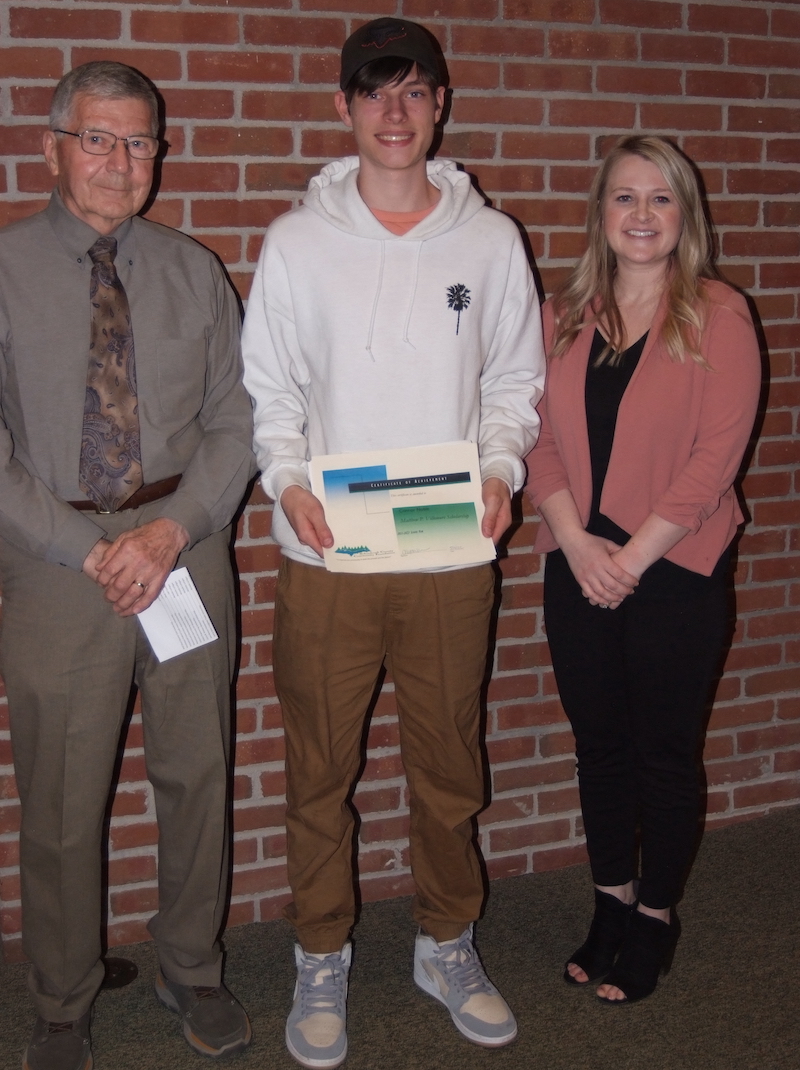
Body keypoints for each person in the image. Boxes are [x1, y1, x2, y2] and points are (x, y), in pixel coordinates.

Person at [242, 17, 544, 1067]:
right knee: (322, 766)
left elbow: (513, 381)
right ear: (343, 108)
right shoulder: (296, 243)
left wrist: (501, 468)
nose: (395, 112)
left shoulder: (488, 240)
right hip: (329, 555)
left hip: (448, 553)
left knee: (445, 762)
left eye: (415, 91)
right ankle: (320, 951)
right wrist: (286, 483)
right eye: (375, 93)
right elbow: (270, 393)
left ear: (440, 105)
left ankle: (444, 940)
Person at [0, 62, 255, 1070]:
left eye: (139, 141)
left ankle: (190, 962)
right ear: (53, 146)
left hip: (182, 549)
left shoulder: (196, 271)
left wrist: (170, 530)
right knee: (62, 795)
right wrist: (92, 546)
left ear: (160, 152)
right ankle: (61, 996)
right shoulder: (5, 269)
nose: (119, 161)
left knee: (198, 770)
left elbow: (240, 423)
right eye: (97, 139)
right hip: (54, 561)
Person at [525, 135, 761, 1004]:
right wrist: (579, 545)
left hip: (674, 568)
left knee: (663, 753)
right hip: (576, 562)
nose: (642, 215)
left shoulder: (719, 314)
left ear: (683, 216)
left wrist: (629, 556)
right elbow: (535, 438)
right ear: (601, 213)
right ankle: (610, 902)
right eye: (625, 197)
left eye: (660, 199)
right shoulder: (563, 316)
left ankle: (656, 914)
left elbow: (716, 457)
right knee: (600, 751)